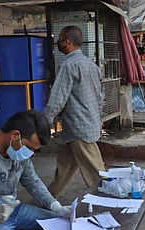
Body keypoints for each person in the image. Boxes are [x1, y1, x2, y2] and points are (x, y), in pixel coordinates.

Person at [44, 25, 105, 198]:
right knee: (64, 167)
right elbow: (99, 96)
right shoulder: (90, 65)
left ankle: (109, 203)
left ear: (67, 42)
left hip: (79, 127)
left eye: (60, 40)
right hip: (84, 124)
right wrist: (98, 117)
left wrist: (46, 120)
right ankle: (49, 197)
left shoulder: (68, 65)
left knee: (96, 174)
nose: (58, 43)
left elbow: (58, 97)